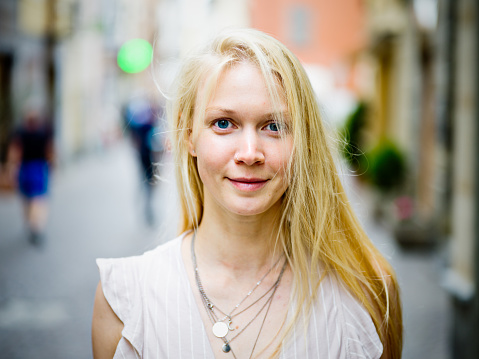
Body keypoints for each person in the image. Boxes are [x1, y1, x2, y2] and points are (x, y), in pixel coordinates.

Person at [92, 29, 402, 358]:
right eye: (224, 123)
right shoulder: (126, 300)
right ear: (188, 134)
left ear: (303, 141)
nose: (250, 153)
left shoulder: (364, 296)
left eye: (274, 126)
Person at [9, 108, 53, 245]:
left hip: (25, 168)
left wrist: (12, 168)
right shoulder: (44, 132)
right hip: (39, 168)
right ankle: (36, 226)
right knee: (38, 199)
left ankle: (30, 223)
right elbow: (50, 151)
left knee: (27, 198)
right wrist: (52, 165)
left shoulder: (20, 132)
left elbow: (15, 152)